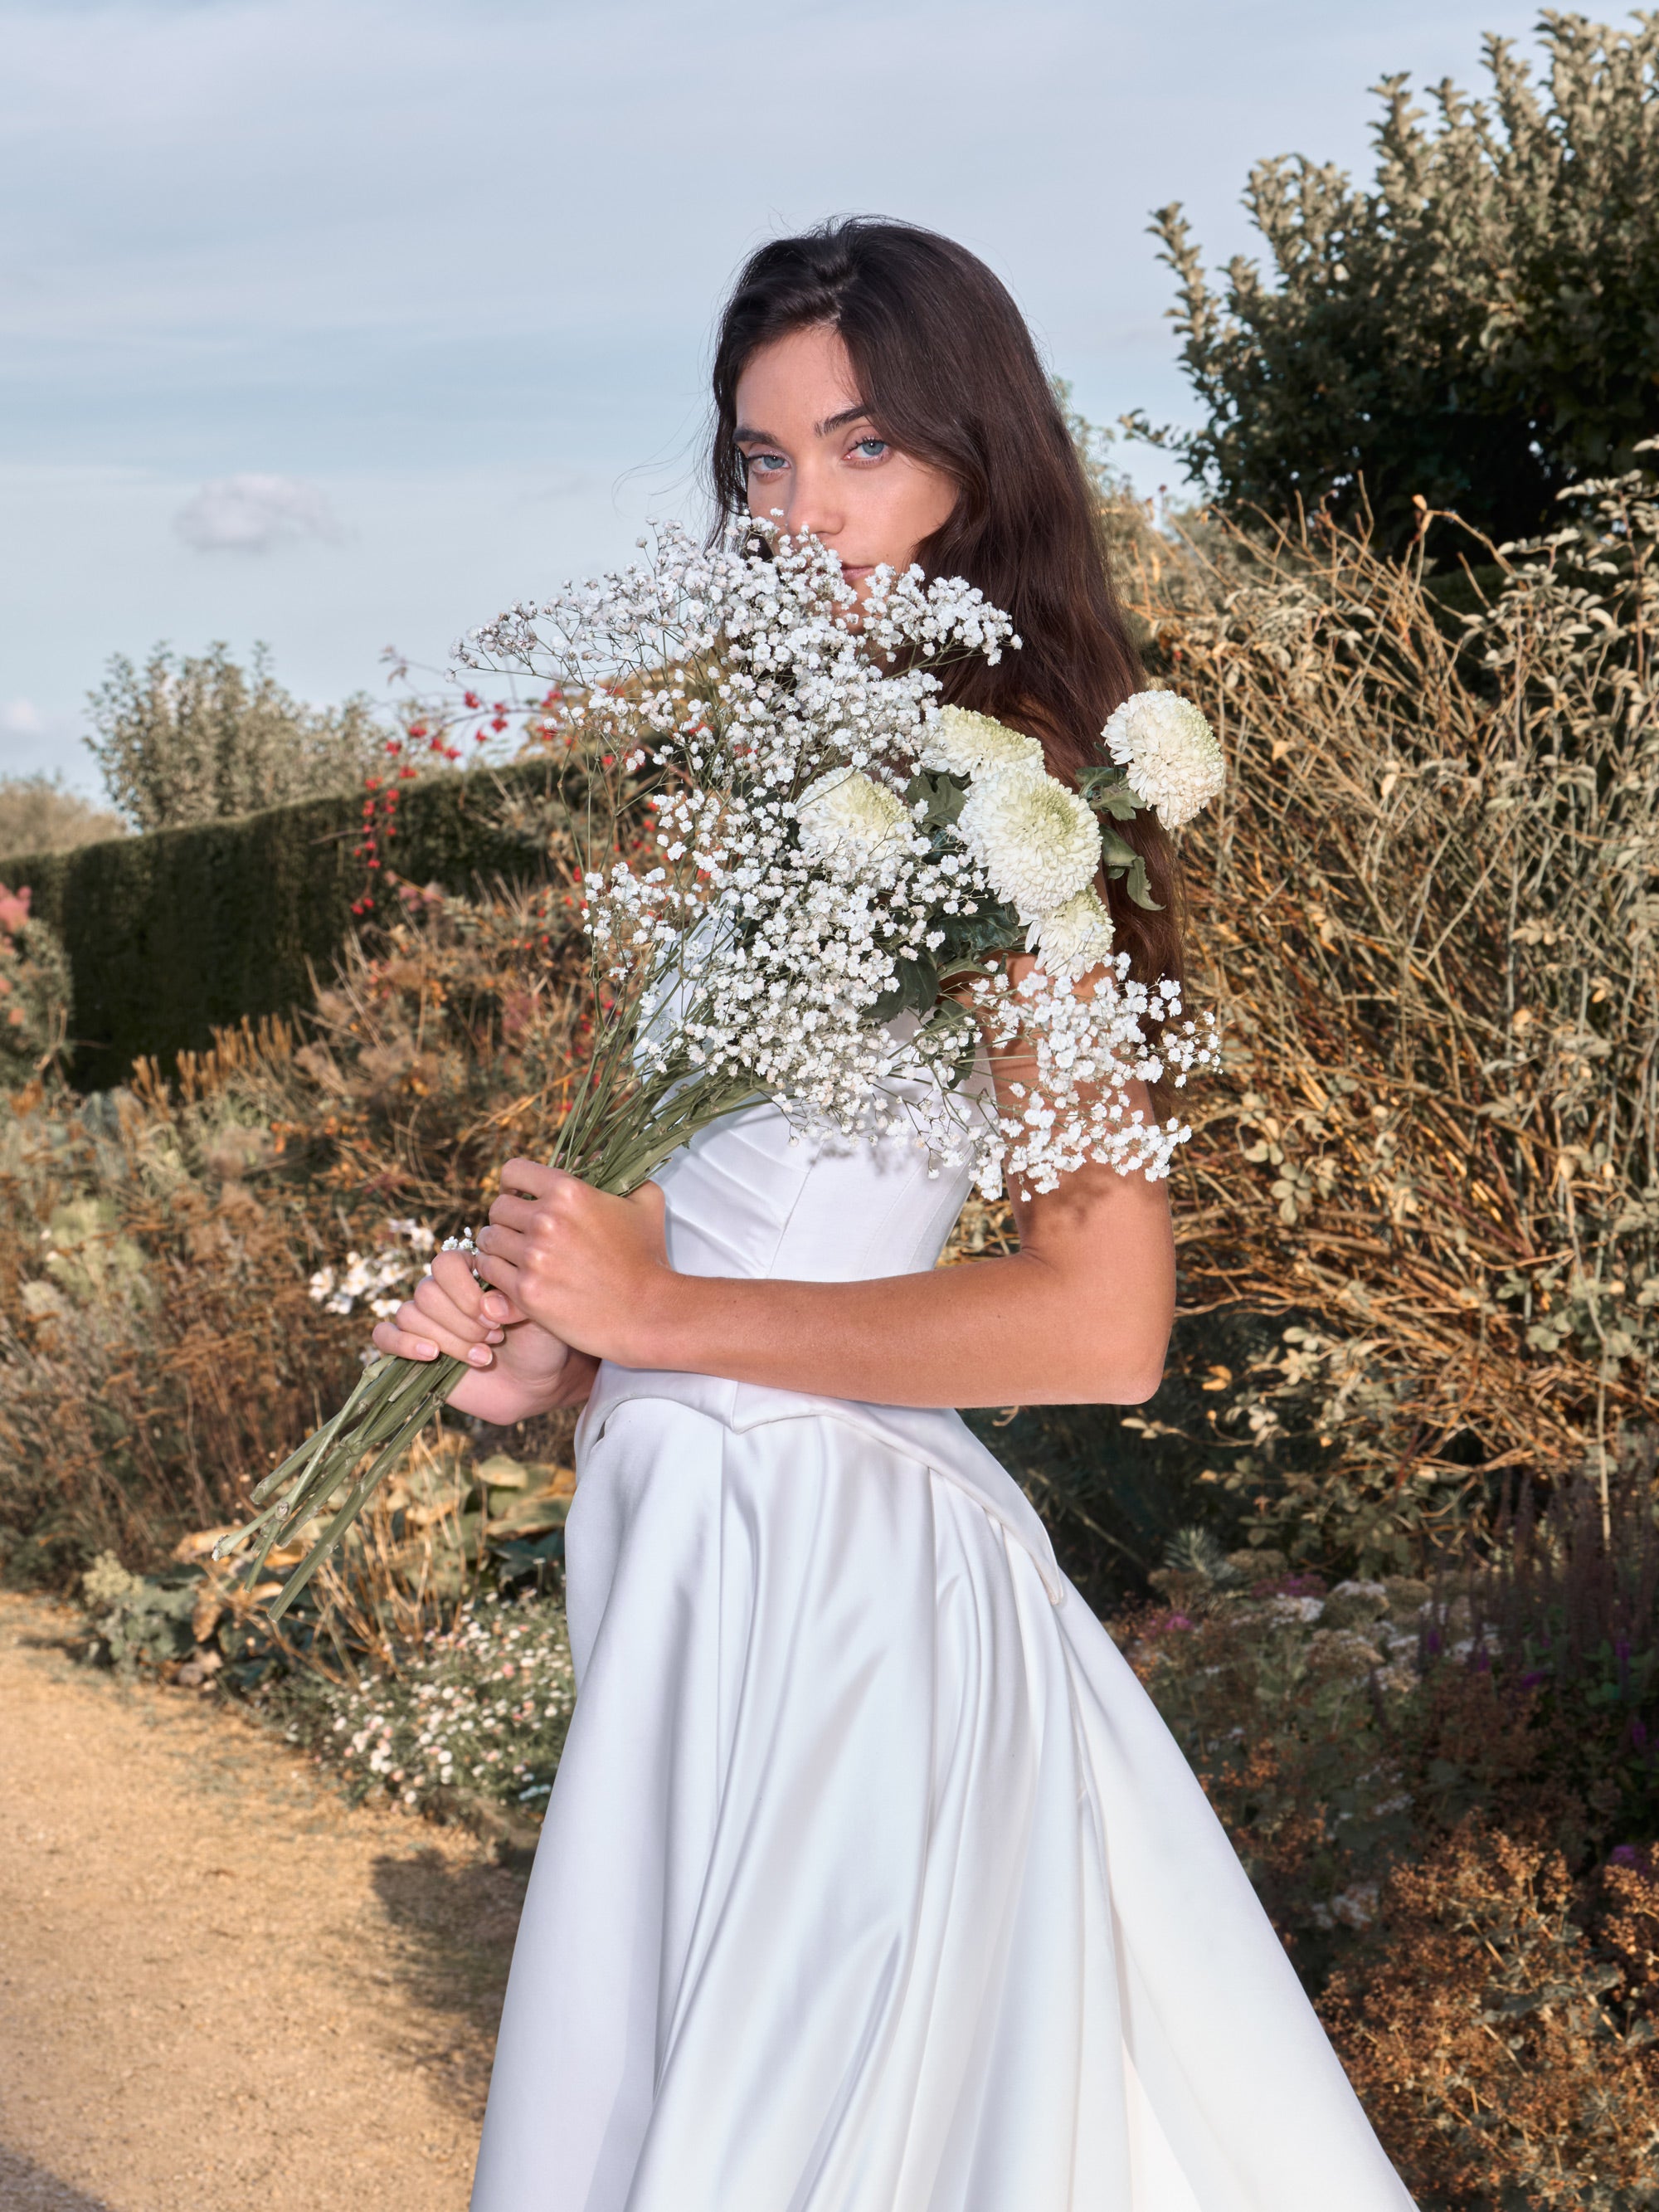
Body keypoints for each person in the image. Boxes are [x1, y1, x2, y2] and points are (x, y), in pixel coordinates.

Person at [376, 218, 1414, 2212]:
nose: (800, 511)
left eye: (859, 451)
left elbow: (1100, 1323)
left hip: (847, 1612)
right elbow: (711, 1250)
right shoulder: (755, 810)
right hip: (685, 1565)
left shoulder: (1019, 807)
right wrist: (549, 1335)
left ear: (973, 464)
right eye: (759, 462)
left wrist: (660, 1320)